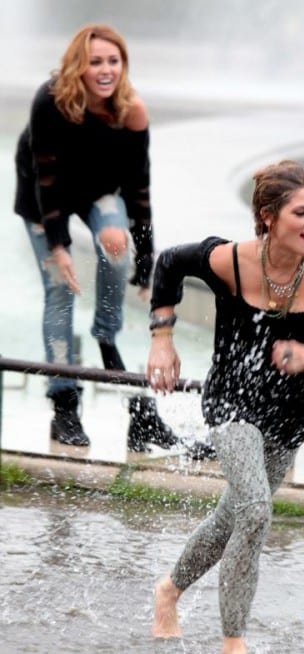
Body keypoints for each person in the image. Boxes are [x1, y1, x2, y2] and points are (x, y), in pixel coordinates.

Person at [145, 159, 304, 654]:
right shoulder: (231, 260)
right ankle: (233, 646)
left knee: (234, 516)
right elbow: (170, 263)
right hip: (231, 402)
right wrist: (162, 339)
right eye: (301, 213)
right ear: (269, 216)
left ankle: (168, 591)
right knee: (254, 509)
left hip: (289, 416)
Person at [13, 23, 178, 453]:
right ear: (78, 66)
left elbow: (139, 190)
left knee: (116, 247)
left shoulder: (130, 111)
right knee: (59, 291)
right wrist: (59, 246)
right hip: (43, 196)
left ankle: (107, 335)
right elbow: (46, 179)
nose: (106, 70)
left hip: (96, 191)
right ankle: (64, 405)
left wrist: (146, 259)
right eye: (95, 61)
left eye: (114, 61)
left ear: (124, 65)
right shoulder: (51, 101)